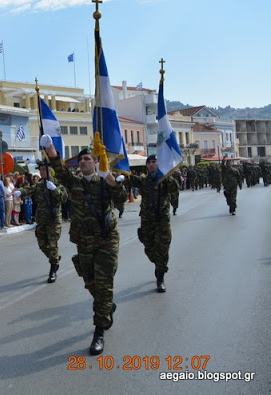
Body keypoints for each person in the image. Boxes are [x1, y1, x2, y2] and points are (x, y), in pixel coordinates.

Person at [44, 136, 126, 355]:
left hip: (106, 240)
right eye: (81, 159)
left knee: (104, 283)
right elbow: (59, 170)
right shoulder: (75, 183)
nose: (83, 162)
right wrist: (50, 149)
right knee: (90, 282)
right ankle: (106, 305)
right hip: (84, 241)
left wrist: (108, 177)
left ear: (95, 162)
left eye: (88, 158)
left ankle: (99, 331)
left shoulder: (105, 181)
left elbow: (122, 196)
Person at [125, 155, 179, 293]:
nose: (151, 164)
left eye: (154, 162)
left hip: (162, 220)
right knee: (149, 249)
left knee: (162, 249)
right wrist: (117, 169)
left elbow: (174, 188)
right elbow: (129, 179)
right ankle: (158, 265)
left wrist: (166, 174)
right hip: (147, 220)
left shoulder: (165, 178)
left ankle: (160, 278)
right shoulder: (144, 180)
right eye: (148, 162)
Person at [16, 160, 67, 283]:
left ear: (50, 170)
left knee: (53, 244)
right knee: (42, 244)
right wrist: (20, 192)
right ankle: (54, 259)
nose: (42, 172)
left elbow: (63, 198)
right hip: (42, 219)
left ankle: (53, 270)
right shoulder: (39, 184)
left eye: (44, 169)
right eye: (41, 170)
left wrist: (54, 189)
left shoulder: (57, 183)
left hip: (53, 220)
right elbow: (30, 190)